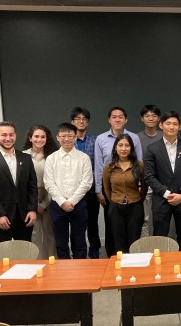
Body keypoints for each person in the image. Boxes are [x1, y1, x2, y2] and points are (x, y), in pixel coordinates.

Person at [0, 121, 37, 244]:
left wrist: (32, 209)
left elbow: (32, 186)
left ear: (15, 135)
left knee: (25, 256)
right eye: (4, 135)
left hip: (24, 217)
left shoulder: (25, 158)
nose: (8, 138)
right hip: (1, 218)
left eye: (11, 135)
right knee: (1, 258)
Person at [144, 111, 181, 251]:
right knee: (160, 238)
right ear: (161, 125)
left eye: (175, 124)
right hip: (161, 199)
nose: (171, 127)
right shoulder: (152, 149)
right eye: (168, 123)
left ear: (179, 127)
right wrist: (167, 194)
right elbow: (149, 176)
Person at [94, 107, 143, 256]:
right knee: (114, 235)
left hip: (134, 197)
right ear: (109, 119)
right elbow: (99, 167)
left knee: (133, 237)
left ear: (126, 119)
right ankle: (114, 262)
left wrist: (138, 196)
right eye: (114, 117)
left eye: (120, 117)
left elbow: (142, 178)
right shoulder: (101, 140)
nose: (117, 119)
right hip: (114, 196)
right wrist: (99, 191)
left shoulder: (134, 138)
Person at [44, 123, 93, 259]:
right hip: (57, 205)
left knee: (80, 242)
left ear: (75, 137)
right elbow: (49, 183)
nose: (67, 139)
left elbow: (87, 182)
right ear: (57, 138)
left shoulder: (84, 158)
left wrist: (71, 201)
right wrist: (62, 201)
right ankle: (64, 274)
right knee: (61, 243)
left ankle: (80, 272)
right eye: (63, 136)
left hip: (79, 205)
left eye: (70, 136)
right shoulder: (51, 158)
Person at [103, 134, 147, 253]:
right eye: (120, 145)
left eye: (127, 145)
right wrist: (114, 200)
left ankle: (133, 267)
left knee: (134, 240)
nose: (123, 148)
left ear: (131, 148)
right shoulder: (109, 167)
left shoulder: (139, 165)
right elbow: (107, 188)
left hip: (135, 206)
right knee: (118, 241)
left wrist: (137, 199)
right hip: (115, 207)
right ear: (115, 148)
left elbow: (144, 187)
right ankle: (120, 268)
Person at [22, 125, 58, 259]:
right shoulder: (22, 155)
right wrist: (33, 204)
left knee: (50, 233)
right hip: (29, 199)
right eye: (36, 136)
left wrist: (44, 203)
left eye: (43, 136)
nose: (39, 139)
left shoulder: (53, 156)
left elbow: (55, 182)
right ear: (30, 138)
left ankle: (52, 260)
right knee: (34, 233)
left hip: (50, 197)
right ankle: (36, 262)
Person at [70, 107, 101, 258]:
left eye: (84, 119)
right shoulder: (67, 142)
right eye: (78, 119)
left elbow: (98, 165)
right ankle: (78, 253)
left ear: (88, 122)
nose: (81, 122)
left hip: (91, 189)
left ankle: (94, 251)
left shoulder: (96, 141)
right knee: (77, 225)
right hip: (73, 191)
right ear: (72, 122)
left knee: (93, 223)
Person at [136, 105, 163, 238]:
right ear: (142, 119)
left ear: (158, 119)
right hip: (144, 183)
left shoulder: (165, 136)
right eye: (147, 116)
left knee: (160, 218)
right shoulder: (136, 138)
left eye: (154, 116)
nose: (150, 118)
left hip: (162, 184)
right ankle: (145, 247)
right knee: (144, 218)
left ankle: (161, 246)